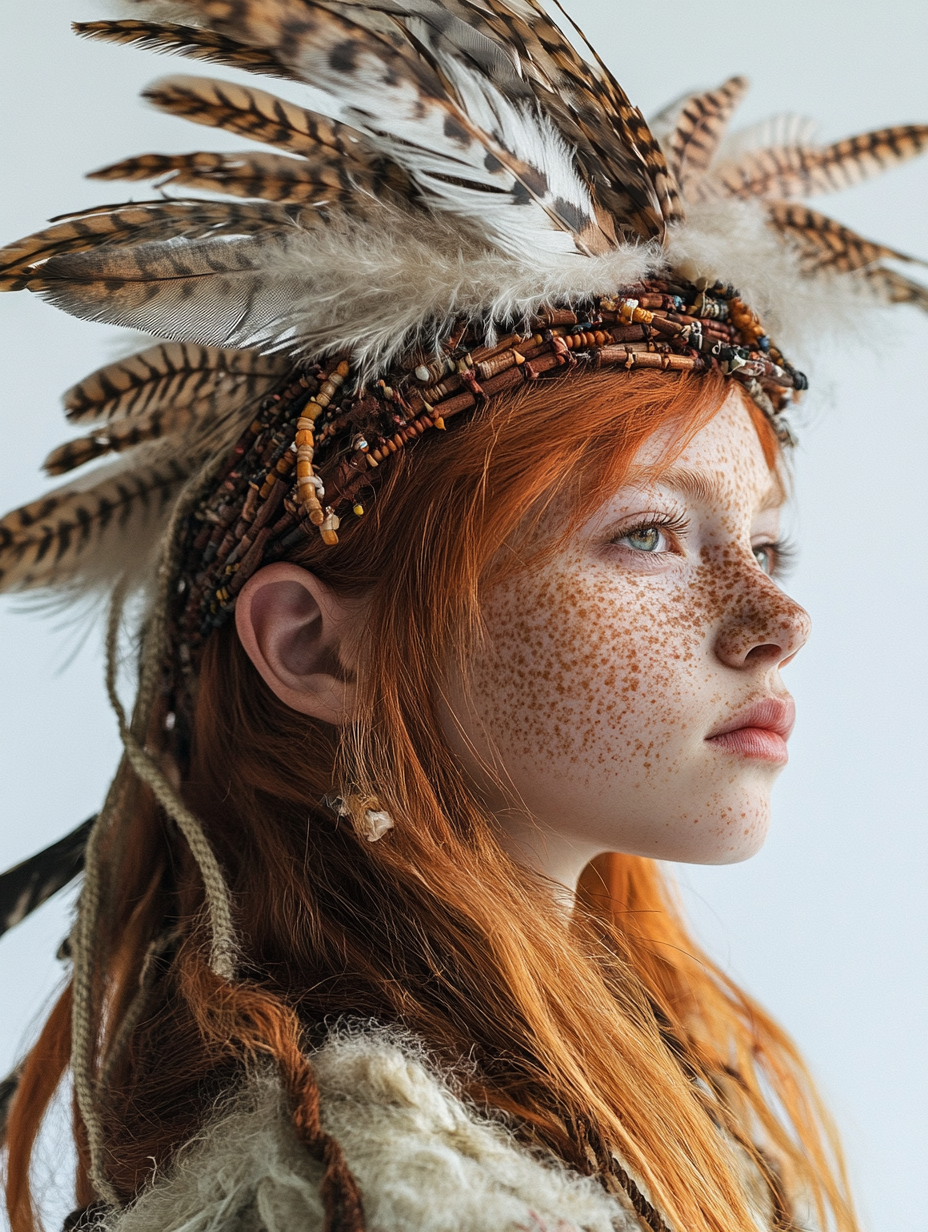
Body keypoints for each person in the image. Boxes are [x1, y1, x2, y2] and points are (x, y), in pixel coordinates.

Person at [1, 4, 926, 1232]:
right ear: (316, 646)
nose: (775, 617)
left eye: (766, 542)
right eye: (645, 533)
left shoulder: (620, 1111)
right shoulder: (356, 1187)